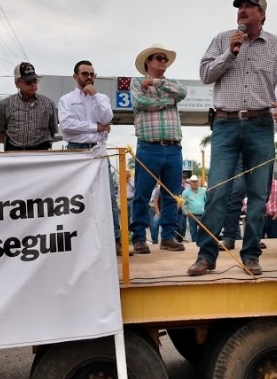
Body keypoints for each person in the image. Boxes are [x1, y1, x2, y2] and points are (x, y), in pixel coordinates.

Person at [188, 0, 277, 277]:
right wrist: (230, 52)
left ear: (262, 15)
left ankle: (251, 255)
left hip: (260, 125)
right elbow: (205, 75)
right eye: (239, 6)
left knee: (258, 194)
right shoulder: (222, 39)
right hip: (225, 124)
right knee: (217, 191)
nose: (242, 10)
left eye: (249, 7)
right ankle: (207, 256)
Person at [58, 60, 123, 252]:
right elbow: (67, 126)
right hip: (75, 151)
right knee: (76, 196)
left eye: (92, 74)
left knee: (109, 196)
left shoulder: (101, 97)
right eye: (85, 73)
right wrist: (96, 128)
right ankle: (77, 240)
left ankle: (115, 239)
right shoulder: (66, 99)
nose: (89, 77)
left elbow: (107, 118)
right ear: (75, 76)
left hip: (98, 150)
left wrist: (94, 97)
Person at [129, 46, 186, 254]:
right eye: (159, 59)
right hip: (148, 146)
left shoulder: (170, 83)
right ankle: (139, 237)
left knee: (171, 194)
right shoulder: (136, 82)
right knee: (142, 194)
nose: (163, 62)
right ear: (148, 63)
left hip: (172, 146)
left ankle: (168, 236)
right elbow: (140, 102)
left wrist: (153, 83)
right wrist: (167, 101)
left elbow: (183, 92)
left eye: (165, 59)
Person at [0, 62, 57, 151]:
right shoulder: (5, 104)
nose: (33, 84)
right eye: (28, 82)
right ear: (17, 83)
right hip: (14, 151)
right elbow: (1, 131)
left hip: (41, 151)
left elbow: (53, 130)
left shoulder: (48, 103)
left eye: (35, 80)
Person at [181, 175, 206, 242]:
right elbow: (183, 204)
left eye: (196, 181)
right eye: (193, 182)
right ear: (190, 183)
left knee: (204, 231)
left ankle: (202, 243)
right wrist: (186, 213)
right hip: (192, 215)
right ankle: (194, 244)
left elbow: (206, 201)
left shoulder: (203, 190)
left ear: (198, 182)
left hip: (202, 215)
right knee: (193, 232)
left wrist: (207, 212)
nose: (195, 183)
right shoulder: (185, 192)